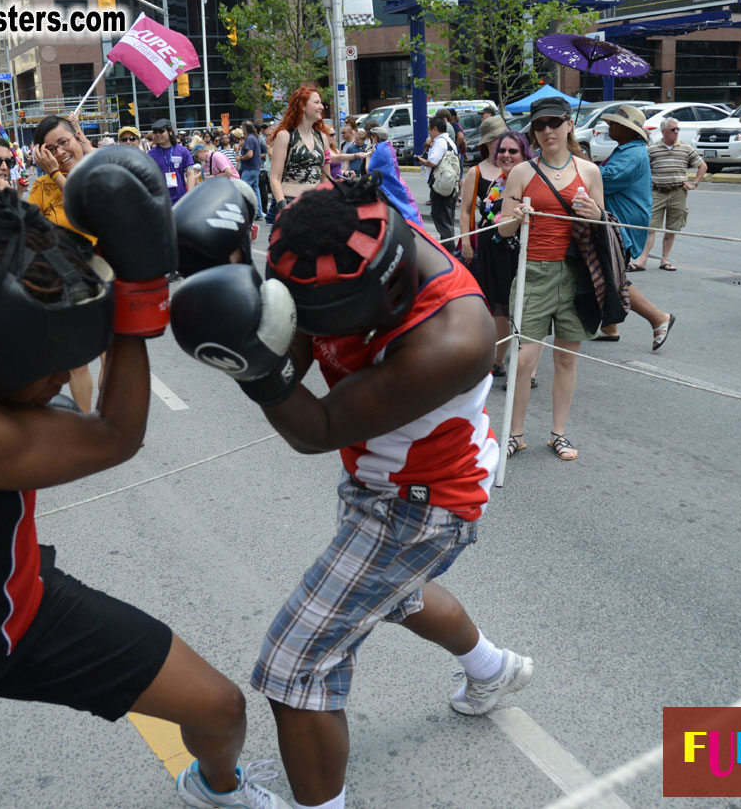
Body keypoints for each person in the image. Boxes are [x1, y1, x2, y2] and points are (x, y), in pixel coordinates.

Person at [0, 157, 288, 809]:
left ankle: (218, 786)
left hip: (20, 603)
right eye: (49, 370)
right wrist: (140, 292)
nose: (59, 385)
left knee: (217, 706)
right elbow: (114, 436)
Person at [169, 177, 534, 809]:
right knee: (400, 596)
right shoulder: (343, 235)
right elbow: (301, 338)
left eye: (329, 319)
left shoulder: (454, 337)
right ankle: (494, 669)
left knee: (295, 668)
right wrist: (235, 279)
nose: (318, 329)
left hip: (422, 506)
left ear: (383, 292)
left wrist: (251, 360)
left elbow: (316, 427)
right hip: (382, 480)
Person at [496, 97, 606, 461]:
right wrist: (519, 215)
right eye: (539, 126)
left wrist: (595, 212)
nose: (547, 132)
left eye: (554, 123)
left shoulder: (589, 171)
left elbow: (602, 227)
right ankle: (514, 434)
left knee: (566, 360)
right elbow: (503, 228)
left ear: (569, 124)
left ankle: (558, 434)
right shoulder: (522, 172)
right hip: (534, 272)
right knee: (524, 360)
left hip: (576, 275)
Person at [28, 115, 102, 413]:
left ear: (77, 137)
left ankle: (111, 420)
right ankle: (85, 423)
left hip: (106, 277)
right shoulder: (41, 187)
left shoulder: (101, 172)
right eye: (50, 149)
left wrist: (57, 173)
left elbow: (85, 204)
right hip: (65, 283)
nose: (59, 152)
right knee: (77, 363)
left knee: (112, 355)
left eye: (63, 142)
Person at [592, 105, 676, 351]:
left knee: (614, 278)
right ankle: (610, 326)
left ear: (628, 130)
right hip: (617, 225)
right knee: (606, 274)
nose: (610, 127)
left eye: (615, 124)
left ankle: (658, 317)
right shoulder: (626, 150)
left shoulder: (633, 154)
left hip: (622, 229)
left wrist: (578, 163)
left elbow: (606, 179)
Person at [459, 116, 522, 375]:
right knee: (496, 304)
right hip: (489, 246)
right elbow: (465, 211)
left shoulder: (521, 170)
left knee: (517, 304)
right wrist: (466, 242)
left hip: (517, 246)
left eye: (506, 143)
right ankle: (498, 357)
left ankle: (515, 357)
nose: (503, 149)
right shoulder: (477, 172)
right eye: (497, 142)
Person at [642, 117, 707, 272]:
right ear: (664, 132)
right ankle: (642, 259)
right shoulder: (652, 150)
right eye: (673, 129)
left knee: (672, 228)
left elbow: (702, 165)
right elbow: (643, 168)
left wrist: (694, 184)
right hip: (658, 191)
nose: (676, 132)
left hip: (678, 192)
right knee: (651, 227)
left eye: (678, 129)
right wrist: (647, 183)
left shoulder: (685, 148)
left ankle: (664, 260)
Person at [268, 87, 332, 216]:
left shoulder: (322, 137)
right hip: (291, 203)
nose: (321, 107)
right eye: (316, 102)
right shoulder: (285, 136)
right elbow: (275, 177)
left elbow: (326, 177)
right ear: (302, 106)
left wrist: (328, 203)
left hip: (317, 204)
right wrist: (282, 205)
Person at [417, 116, 460, 253]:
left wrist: (422, 161)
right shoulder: (449, 141)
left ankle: (448, 249)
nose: (428, 133)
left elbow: (433, 162)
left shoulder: (440, 142)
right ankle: (448, 246)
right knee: (447, 217)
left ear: (435, 129)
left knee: (441, 217)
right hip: (449, 186)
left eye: (429, 130)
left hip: (440, 186)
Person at [365, 125, 420, 224]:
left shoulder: (379, 150)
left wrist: (368, 157)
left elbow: (369, 170)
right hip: (394, 180)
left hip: (385, 185)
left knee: (395, 206)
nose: (371, 138)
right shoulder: (388, 146)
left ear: (377, 137)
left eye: (372, 136)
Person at [148, 119, 198, 204]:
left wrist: (190, 195)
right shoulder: (150, 154)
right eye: (155, 132)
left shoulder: (183, 151)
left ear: (170, 132)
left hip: (180, 200)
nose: (157, 134)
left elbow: (190, 173)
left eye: (161, 131)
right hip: (161, 201)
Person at [239, 121, 264, 215]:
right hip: (255, 167)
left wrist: (241, 158)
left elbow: (249, 154)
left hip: (250, 168)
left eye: (242, 127)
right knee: (255, 190)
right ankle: (258, 212)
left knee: (242, 190)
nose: (242, 129)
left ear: (245, 128)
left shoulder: (249, 138)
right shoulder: (254, 137)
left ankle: (243, 212)